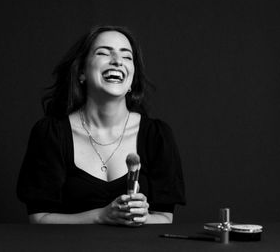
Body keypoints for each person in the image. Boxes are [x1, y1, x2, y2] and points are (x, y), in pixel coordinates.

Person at [17, 25, 185, 226]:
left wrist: (144, 217)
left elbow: (165, 218)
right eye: (103, 53)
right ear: (81, 72)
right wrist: (101, 216)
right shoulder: (50, 134)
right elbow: (39, 219)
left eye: (127, 57)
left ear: (132, 79)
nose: (117, 61)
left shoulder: (157, 136)